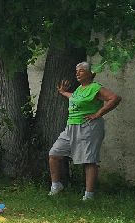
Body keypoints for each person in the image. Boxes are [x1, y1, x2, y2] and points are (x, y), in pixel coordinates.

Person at [48, 62, 121, 201]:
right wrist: (64, 92)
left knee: (89, 160)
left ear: (90, 74)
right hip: (71, 127)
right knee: (54, 154)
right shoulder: (79, 89)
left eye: (81, 71)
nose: (77, 73)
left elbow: (115, 98)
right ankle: (56, 186)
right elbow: (77, 100)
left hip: (88, 127)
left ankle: (89, 195)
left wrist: (98, 113)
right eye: (77, 71)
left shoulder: (95, 87)